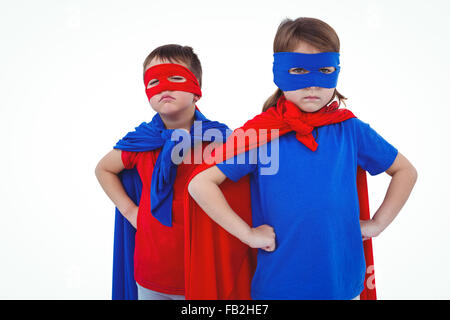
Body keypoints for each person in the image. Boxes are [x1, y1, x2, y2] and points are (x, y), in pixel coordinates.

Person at [187, 17, 418, 300]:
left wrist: (378, 224)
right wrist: (247, 234)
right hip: (279, 287)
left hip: (342, 285)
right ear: (279, 72)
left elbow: (405, 171)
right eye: (298, 70)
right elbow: (200, 184)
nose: (312, 84)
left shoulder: (350, 130)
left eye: (323, 70)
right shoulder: (262, 134)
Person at [94, 44, 231, 300]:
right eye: (154, 81)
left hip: (200, 268)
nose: (164, 88)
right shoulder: (141, 142)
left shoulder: (220, 141)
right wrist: (129, 211)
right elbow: (103, 168)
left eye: (176, 78)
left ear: (197, 91)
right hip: (151, 268)